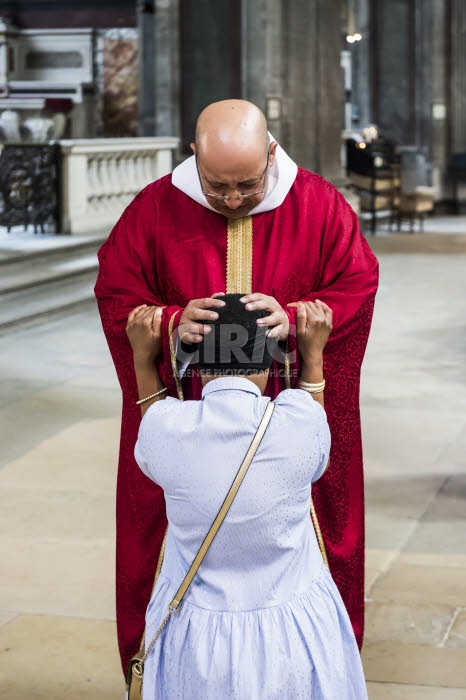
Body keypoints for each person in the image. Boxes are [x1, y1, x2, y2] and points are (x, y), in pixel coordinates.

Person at [94, 99, 379, 673]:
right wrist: (173, 323)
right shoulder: (154, 208)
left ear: (272, 154)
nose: (231, 201)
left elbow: (358, 282)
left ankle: (307, 663)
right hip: (190, 421)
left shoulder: (319, 205)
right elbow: (117, 293)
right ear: (193, 156)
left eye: (247, 185)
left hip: (284, 420)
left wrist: (296, 318)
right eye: (216, 185)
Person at [126, 293, 368, 700]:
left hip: (197, 638)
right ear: (274, 357)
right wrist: (313, 356)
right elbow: (315, 421)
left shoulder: (166, 428)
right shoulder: (298, 421)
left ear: (197, 361)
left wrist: (141, 359)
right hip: (293, 631)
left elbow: (151, 414)